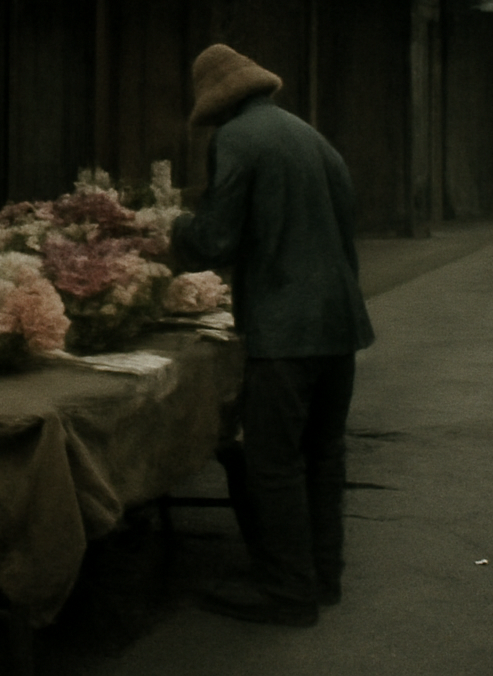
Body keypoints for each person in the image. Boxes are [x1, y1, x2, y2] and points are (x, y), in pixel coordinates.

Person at [170, 43, 375, 627]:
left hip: (287, 331)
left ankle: (288, 592)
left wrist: (175, 227)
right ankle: (322, 576)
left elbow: (214, 242)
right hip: (341, 324)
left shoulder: (236, 139)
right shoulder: (313, 138)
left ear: (217, 102)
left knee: (272, 461)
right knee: (324, 453)